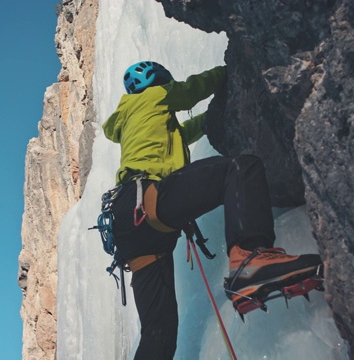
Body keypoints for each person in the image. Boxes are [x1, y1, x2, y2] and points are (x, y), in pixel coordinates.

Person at [102, 61, 322, 359]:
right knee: (239, 168)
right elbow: (193, 90)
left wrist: (212, 118)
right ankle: (250, 256)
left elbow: (183, 132)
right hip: (147, 202)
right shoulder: (155, 96)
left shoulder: (133, 119)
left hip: (129, 230)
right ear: (160, 81)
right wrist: (227, 71)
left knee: (159, 332)